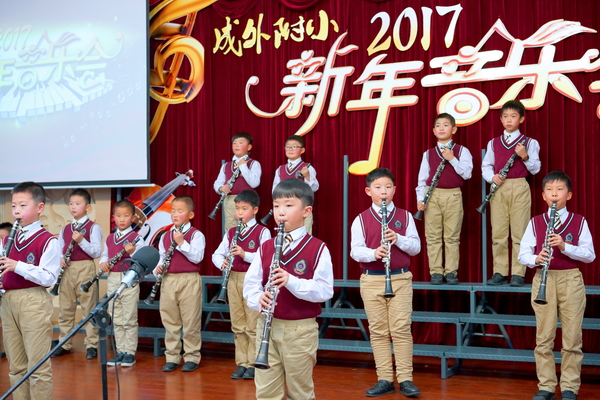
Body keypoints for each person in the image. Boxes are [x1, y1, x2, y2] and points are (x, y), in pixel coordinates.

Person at [243, 178, 334, 400]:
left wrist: (291, 280)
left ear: (306, 211)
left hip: (299, 331)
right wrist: (257, 298)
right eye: (276, 206)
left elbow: (325, 291)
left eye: (289, 205)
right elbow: (251, 284)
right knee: (266, 392)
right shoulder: (266, 247)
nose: (280, 211)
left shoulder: (318, 248)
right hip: (266, 325)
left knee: (300, 392)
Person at [518, 171, 595, 400]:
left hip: (571, 280)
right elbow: (523, 255)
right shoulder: (535, 222)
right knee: (544, 338)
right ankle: (546, 386)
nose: (554, 193)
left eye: (560, 189)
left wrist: (564, 246)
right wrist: (536, 258)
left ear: (568, 195)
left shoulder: (579, 221)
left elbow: (589, 255)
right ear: (543, 195)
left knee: (572, 338)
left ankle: (570, 387)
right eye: (549, 190)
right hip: (544, 278)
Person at [351, 168, 421, 398]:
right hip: (371, 280)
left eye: (388, 187)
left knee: (401, 330)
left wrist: (397, 238)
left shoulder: (405, 216)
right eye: (378, 187)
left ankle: (406, 379)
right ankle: (385, 379)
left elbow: (416, 248)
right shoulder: (360, 219)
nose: (384, 192)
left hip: (400, 278)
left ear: (394, 190)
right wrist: (374, 253)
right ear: (368, 191)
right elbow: (355, 251)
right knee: (378, 331)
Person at [0, 182, 61, 400]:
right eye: (13, 205)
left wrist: (18, 266)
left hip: (33, 300)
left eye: (23, 205)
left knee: (37, 367)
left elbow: (49, 277)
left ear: (39, 207)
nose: (16, 210)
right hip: (8, 300)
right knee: (16, 366)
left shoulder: (49, 241)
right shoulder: (6, 240)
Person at [212, 190, 271, 380]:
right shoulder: (231, 232)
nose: (239, 213)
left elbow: (265, 259)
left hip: (252, 280)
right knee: (238, 324)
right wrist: (221, 263)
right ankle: (242, 363)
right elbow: (216, 254)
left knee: (253, 324)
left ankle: (254, 363)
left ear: (255, 210)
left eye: (244, 209)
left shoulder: (263, 231)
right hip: (233, 279)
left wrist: (244, 254)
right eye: (237, 209)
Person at [482, 100, 541, 287]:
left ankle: (518, 273)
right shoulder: (493, 143)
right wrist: (492, 177)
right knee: (498, 233)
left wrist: (524, 156)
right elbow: (486, 166)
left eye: (513, 116)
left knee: (519, 232)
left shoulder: (530, 143)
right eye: (505, 116)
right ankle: (499, 271)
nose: (509, 120)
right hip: (499, 187)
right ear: (501, 119)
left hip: (519, 186)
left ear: (521, 119)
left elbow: (535, 169)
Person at [416, 113, 473, 285]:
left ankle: (451, 272)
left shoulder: (462, 151)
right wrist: (420, 199)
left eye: (446, 125)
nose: (441, 128)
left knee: (452, 237)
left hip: (453, 195)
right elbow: (422, 180)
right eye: (438, 125)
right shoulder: (428, 154)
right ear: (434, 131)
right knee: (432, 236)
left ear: (454, 129)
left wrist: (452, 159)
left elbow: (467, 174)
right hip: (432, 195)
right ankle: (435, 272)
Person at [153, 195, 205, 372]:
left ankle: (192, 356)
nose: (175, 214)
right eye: (173, 211)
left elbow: (197, 257)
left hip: (189, 280)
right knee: (170, 321)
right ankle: (172, 356)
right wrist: (158, 269)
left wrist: (182, 243)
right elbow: (161, 258)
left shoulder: (196, 235)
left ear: (190, 215)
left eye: (180, 211)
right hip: (169, 280)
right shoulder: (165, 236)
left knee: (190, 321)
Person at [52, 188, 103, 359]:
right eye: (71, 203)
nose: (73, 207)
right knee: (66, 308)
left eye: (78, 203)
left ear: (87, 207)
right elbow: (60, 249)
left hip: (85, 268)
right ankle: (64, 343)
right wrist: (60, 258)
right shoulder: (66, 228)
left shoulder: (93, 227)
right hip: (67, 269)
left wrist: (81, 241)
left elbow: (96, 252)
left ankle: (91, 345)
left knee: (89, 307)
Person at [99, 200, 144, 368]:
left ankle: (130, 352)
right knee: (116, 316)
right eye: (118, 216)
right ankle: (120, 351)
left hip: (130, 279)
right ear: (114, 217)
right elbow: (105, 255)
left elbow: (143, 260)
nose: (122, 219)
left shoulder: (137, 238)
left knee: (129, 317)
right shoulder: (110, 238)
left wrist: (133, 252)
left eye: (126, 216)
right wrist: (103, 263)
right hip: (113, 278)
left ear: (133, 217)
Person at [213, 132, 262, 230]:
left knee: (247, 227)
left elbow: (254, 183)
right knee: (230, 227)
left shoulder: (254, 164)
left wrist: (243, 166)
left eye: (240, 143)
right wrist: (221, 188)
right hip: (229, 200)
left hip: (247, 200)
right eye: (234, 143)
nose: (236, 145)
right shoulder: (226, 165)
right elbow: (217, 183)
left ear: (249, 147)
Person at [272, 135, 319, 234]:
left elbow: (314, 188)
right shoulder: (280, 169)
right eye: (288, 147)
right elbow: (274, 190)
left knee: (304, 235)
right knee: (284, 235)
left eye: (294, 147)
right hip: (284, 209)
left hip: (302, 209)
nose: (290, 149)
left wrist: (307, 176)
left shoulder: (307, 168)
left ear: (302, 150)